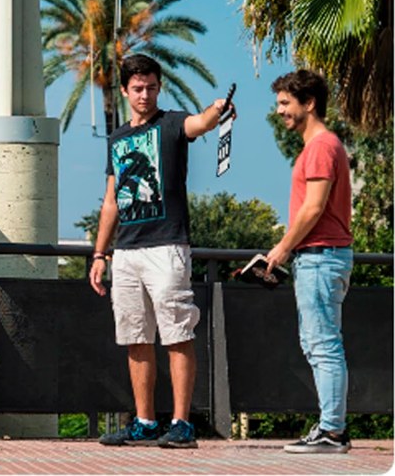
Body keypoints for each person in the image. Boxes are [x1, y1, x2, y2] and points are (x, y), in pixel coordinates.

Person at [88, 54, 233, 449]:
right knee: (135, 337)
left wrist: (217, 110)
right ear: (123, 91)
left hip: (167, 245)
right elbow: (111, 200)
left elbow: (200, 123)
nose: (145, 94)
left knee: (176, 334)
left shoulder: (171, 124)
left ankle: (182, 423)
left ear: (159, 86)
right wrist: (99, 255)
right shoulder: (117, 139)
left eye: (151, 87)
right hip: (127, 252)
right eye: (137, 88)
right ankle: (145, 421)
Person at [266, 70, 353, 454]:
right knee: (319, 343)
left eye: (286, 103)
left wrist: (283, 247)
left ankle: (332, 431)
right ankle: (331, 428)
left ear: (309, 103)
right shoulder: (323, 146)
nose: (280, 111)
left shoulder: (320, 147)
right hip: (321, 258)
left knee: (323, 346)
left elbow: (314, 207)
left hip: (320, 257)